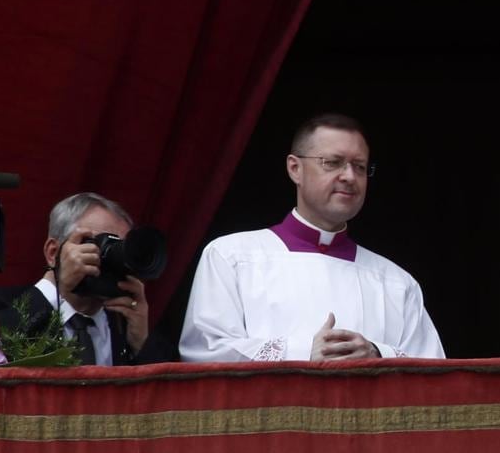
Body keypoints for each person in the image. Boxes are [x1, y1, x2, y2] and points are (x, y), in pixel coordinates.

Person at [179, 113, 444, 361]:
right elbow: (204, 352)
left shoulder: (396, 282)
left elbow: (434, 376)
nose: (349, 176)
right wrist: (304, 353)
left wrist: (377, 354)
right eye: (333, 163)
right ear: (295, 168)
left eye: (360, 166)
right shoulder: (231, 257)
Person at [0, 192, 171, 364]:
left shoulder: (124, 326)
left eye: (120, 249)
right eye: (101, 245)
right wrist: (59, 291)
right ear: (53, 252)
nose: (110, 260)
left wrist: (142, 343)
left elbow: (171, 384)